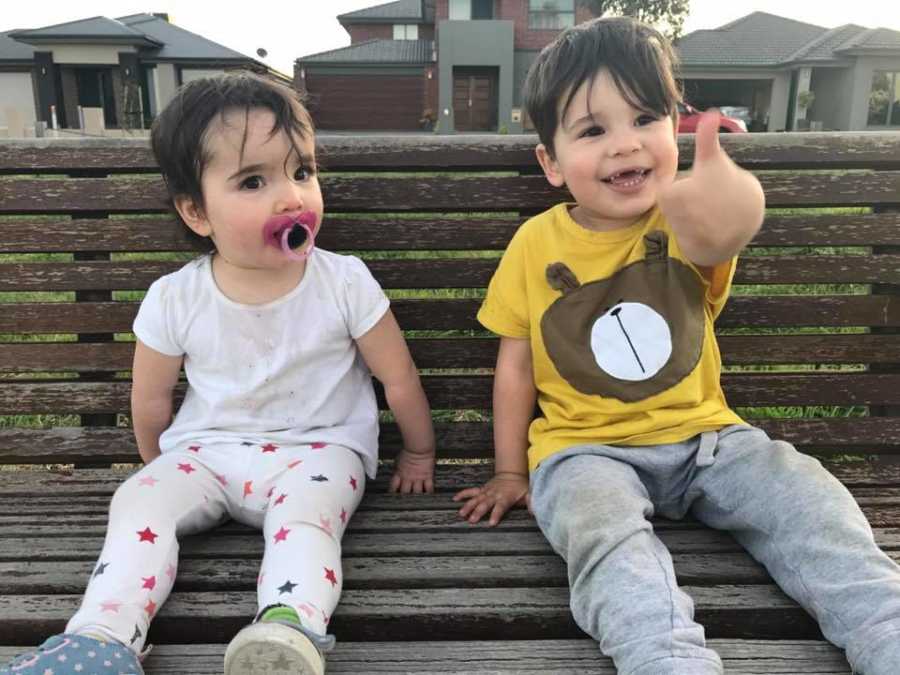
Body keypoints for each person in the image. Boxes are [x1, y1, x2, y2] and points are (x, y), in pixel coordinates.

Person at [453, 16, 900, 675]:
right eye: (593, 129)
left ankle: (884, 623)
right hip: (584, 452)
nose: (624, 145)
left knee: (805, 496)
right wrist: (513, 471)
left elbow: (723, 231)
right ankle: (662, 657)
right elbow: (515, 365)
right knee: (603, 535)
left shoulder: (685, 219)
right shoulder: (533, 246)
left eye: (645, 118)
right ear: (550, 162)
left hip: (709, 441)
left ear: (675, 127)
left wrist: (729, 194)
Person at [2, 72, 436, 675]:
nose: (292, 197)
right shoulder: (175, 297)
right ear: (196, 211)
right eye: (254, 181)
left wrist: (418, 454)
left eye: (302, 171)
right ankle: (103, 635)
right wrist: (160, 468)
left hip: (318, 450)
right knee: (137, 502)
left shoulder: (344, 282)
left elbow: (398, 378)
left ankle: (290, 628)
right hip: (207, 452)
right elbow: (150, 398)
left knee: (305, 518)